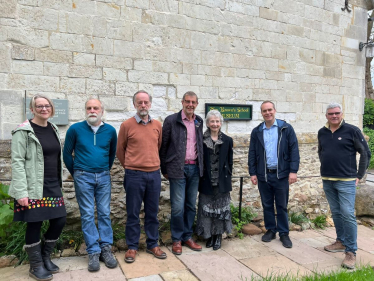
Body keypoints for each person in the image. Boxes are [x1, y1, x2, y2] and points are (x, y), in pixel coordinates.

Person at [8, 94, 67, 281]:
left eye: (47, 105)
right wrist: (21, 192)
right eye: (39, 106)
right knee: (35, 223)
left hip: (52, 184)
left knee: (59, 220)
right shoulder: (23, 131)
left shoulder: (53, 128)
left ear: (51, 108)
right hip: (33, 186)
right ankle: (36, 266)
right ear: (32, 109)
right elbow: (16, 162)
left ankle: (45, 257)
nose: (43, 109)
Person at [63, 98, 118, 272]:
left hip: (103, 176)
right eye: (89, 108)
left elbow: (111, 154)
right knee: (87, 214)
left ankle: (106, 249)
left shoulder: (110, 130)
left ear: (102, 110)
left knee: (104, 212)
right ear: (85, 110)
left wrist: (103, 169)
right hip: (83, 176)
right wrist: (77, 173)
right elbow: (66, 154)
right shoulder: (75, 129)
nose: (92, 111)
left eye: (96, 108)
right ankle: (93, 251)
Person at [318, 102, 371, 269]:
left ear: (341, 114)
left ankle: (351, 252)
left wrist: (359, 175)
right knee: (336, 212)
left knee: (347, 214)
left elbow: (365, 153)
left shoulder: (352, 130)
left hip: (347, 180)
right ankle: (340, 241)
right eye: (331, 113)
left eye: (337, 113)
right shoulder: (322, 132)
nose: (334, 116)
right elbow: (321, 152)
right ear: (326, 116)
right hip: (327, 179)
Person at [117, 90, 166, 263]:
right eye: (140, 102)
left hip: (154, 174)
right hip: (134, 175)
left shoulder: (158, 125)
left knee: (152, 213)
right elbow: (120, 150)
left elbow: (158, 146)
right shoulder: (126, 125)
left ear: (150, 104)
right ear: (134, 104)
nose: (143, 105)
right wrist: (131, 166)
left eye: (146, 102)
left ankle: (153, 244)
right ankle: (132, 247)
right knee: (133, 213)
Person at [248, 101, 299, 249]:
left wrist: (293, 171)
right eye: (264, 111)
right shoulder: (257, 131)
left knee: (282, 205)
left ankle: (284, 233)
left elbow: (294, 150)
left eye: (270, 110)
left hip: (281, 174)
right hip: (263, 174)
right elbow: (252, 153)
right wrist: (252, 172)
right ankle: (271, 230)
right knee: (267, 204)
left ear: (275, 111)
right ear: (261, 113)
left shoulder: (286, 128)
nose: (267, 113)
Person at [160, 91, 204, 255]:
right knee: (178, 207)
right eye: (187, 101)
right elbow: (163, 146)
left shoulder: (199, 121)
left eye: (193, 102)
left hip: (194, 168)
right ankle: (177, 239)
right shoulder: (171, 120)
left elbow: (199, 145)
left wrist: (202, 168)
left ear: (197, 104)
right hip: (177, 168)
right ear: (182, 102)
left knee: (191, 205)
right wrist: (164, 168)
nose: (190, 105)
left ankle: (187, 236)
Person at [196, 110, 233, 250]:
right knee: (206, 210)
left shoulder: (228, 140)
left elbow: (230, 162)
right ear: (207, 123)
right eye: (212, 121)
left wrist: (227, 176)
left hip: (221, 181)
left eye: (217, 121)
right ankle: (209, 235)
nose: (215, 124)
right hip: (206, 180)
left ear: (221, 123)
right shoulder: (201, 140)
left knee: (220, 210)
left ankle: (218, 236)